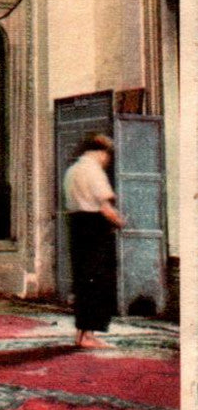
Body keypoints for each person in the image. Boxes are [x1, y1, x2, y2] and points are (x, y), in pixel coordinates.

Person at [63, 133, 125, 348]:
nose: (107, 159)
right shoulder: (93, 171)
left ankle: (81, 334)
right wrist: (121, 222)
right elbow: (105, 208)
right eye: (107, 154)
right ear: (101, 151)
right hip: (94, 229)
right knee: (97, 282)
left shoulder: (72, 170)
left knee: (83, 281)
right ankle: (88, 336)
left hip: (76, 226)